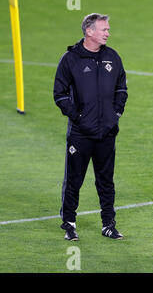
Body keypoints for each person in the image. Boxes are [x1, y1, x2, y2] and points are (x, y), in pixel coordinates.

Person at [53, 13, 128, 240]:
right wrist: (77, 116)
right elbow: (60, 94)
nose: (108, 33)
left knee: (106, 181)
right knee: (74, 179)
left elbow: (121, 89)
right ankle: (69, 223)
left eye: (108, 29)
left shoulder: (112, 57)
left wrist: (115, 114)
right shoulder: (71, 59)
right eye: (104, 29)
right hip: (80, 134)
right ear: (89, 31)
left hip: (106, 133)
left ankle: (108, 224)